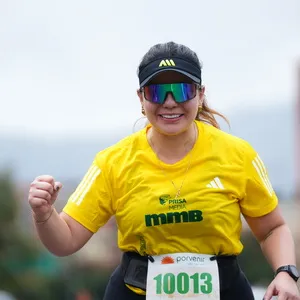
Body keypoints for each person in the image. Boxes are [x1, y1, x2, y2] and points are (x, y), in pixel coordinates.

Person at [28, 41, 300, 300]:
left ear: (201, 93)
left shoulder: (238, 155)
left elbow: (272, 229)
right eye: (156, 92)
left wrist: (286, 272)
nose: (169, 102)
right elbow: (66, 241)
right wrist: (44, 213)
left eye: (182, 90)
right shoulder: (112, 162)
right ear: (141, 97)